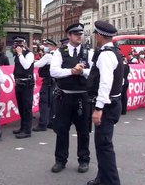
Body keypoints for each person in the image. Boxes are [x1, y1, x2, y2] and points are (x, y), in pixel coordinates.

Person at [50, 23, 92, 174]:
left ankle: (84, 160)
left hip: (82, 96)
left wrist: (82, 72)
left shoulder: (89, 51)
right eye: (75, 34)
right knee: (62, 130)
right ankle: (60, 160)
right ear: (69, 35)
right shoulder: (60, 52)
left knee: (83, 130)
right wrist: (71, 71)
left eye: (80, 34)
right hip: (65, 96)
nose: (79, 36)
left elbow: (93, 71)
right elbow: (54, 71)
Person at [86, 20, 123, 185]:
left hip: (107, 106)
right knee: (101, 145)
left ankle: (111, 181)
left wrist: (99, 108)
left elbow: (105, 83)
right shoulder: (114, 52)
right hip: (113, 102)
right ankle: (102, 178)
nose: (95, 37)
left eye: (95, 34)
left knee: (104, 146)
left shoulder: (106, 55)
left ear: (99, 35)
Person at [12, 36, 35, 139]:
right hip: (19, 83)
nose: (16, 46)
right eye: (16, 44)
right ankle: (22, 127)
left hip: (27, 84)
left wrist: (20, 54)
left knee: (27, 108)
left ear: (24, 44)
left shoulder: (29, 54)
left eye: (19, 43)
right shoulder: (16, 56)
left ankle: (27, 130)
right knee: (21, 107)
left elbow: (26, 66)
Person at [33, 39, 57, 132]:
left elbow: (37, 65)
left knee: (44, 102)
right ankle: (51, 122)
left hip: (48, 82)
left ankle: (43, 124)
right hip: (55, 82)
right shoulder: (58, 54)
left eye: (47, 45)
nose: (46, 47)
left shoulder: (48, 56)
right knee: (52, 103)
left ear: (52, 46)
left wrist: (35, 61)